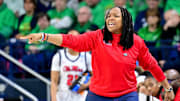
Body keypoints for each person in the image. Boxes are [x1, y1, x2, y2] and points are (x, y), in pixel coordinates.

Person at [20, 7, 174, 101]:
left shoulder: (137, 42)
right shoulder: (97, 36)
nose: (110, 18)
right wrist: (44, 36)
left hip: (126, 96)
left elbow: (152, 66)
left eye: (115, 16)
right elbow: (71, 40)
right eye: (108, 16)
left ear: (125, 20)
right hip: (98, 95)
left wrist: (167, 88)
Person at [50, 30, 92, 101]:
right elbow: (54, 81)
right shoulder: (59, 56)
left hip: (81, 97)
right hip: (62, 96)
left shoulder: (87, 56)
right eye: (69, 38)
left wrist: (85, 85)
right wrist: (54, 99)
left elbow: (96, 76)